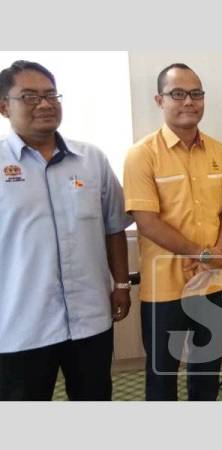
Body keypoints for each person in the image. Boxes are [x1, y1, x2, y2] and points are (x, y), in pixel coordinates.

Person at [0, 60, 132, 401]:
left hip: (90, 318)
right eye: (29, 96)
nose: (44, 104)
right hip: (20, 324)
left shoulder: (92, 160)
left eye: (50, 95)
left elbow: (114, 227)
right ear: (4, 107)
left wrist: (121, 284)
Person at [123, 63, 222, 401]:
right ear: (159, 99)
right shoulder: (141, 155)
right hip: (165, 286)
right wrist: (201, 254)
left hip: (213, 279)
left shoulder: (219, 152)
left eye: (196, 94)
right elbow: (146, 221)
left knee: (207, 368)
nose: (188, 101)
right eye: (178, 93)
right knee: (162, 371)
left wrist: (217, 252)